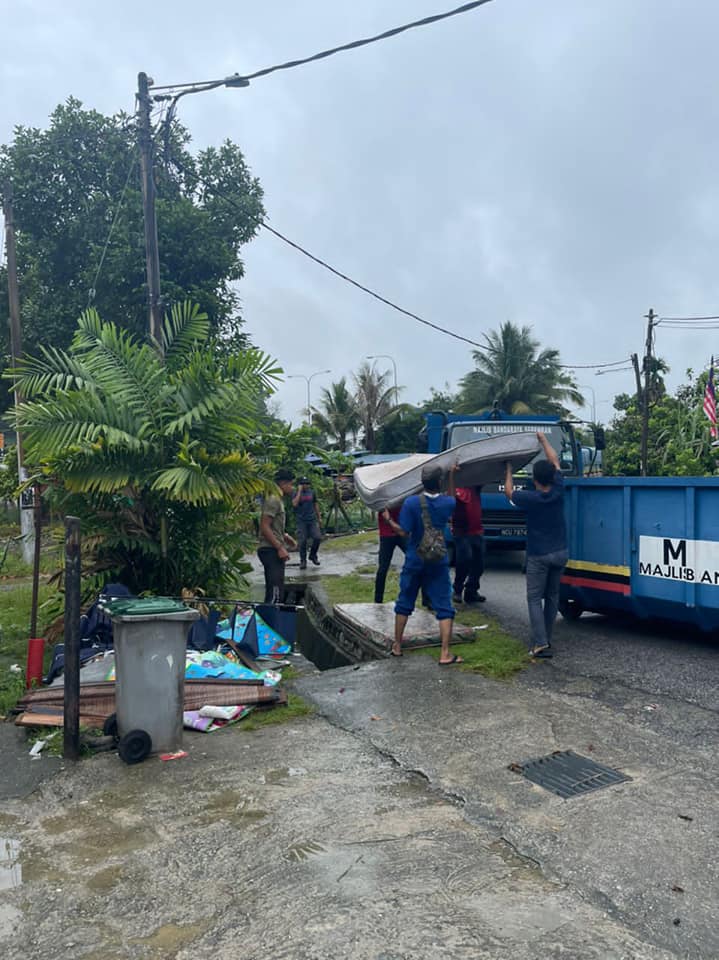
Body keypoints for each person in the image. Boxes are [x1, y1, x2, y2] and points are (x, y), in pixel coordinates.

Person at [504, 432, 567, 659]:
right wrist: (543, 440)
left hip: (539, 555)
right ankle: (545, 638)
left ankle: (540, 643)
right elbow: (555, 461)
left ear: (535, 480)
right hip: (560, 552)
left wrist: (508, 469)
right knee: (552, 597)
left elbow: (509, 492)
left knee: (534, 598)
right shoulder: (558, 489)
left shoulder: (530, 498)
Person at [392, 464, 462, 665]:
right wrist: (452, 476)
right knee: (444, 604)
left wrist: (389, 521)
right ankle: (445, 653)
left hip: (414, 559)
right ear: (439, 482)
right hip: (438, 560)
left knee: (405, 601)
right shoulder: (447, 503)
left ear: (422, 483)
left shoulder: (411, 503)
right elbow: (453, 498)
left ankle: (397, 646)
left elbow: (404, 531)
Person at [257, 468, 297, 604]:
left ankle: (270, 615)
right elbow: (264, 526)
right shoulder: (273, 500)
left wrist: (285, 536)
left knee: (275, 590)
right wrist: (280, 547)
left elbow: (272, 526)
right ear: (283, 484)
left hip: (272, 548)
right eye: (291, 484)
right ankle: (272, 615)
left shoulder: (278, 500)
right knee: (275, 594)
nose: (292, 488)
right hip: (270, 549)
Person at [452, 485, 485, 605]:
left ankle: (471, 591)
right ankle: (457, 590)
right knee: (464, 560)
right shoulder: (456, 489)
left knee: (479, 563)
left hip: (476, 530)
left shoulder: (475, 487)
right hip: (462, 531)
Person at [292, 476, 322, 570]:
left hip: (312, 519)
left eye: (307, 483)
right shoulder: (296, 493)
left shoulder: (312, 492)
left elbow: (315, 504)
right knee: (302, 541)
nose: (306, 485)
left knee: (317, 537)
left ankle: (313, 555)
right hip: (301, 520)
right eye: (303, 484)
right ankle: (303, 561)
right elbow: (294, 504)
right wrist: (299, 491)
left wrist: (319, 518)